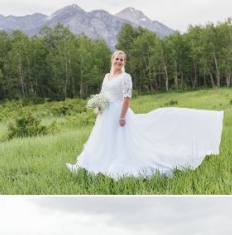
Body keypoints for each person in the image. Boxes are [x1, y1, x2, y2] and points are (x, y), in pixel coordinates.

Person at [69, 45, 223, 180]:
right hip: (105, 115)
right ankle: (100, 163)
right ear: (112, 60)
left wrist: (122, 117)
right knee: (104, 140)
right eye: (117, 59)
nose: (119, 62)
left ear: (124, 63)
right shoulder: (106, 76)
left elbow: (127, 98)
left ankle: (119, 164)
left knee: (122, 141)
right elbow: (103, 93)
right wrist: (99, 106)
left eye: (122, 60)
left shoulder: (126, 77)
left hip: (118, 113)